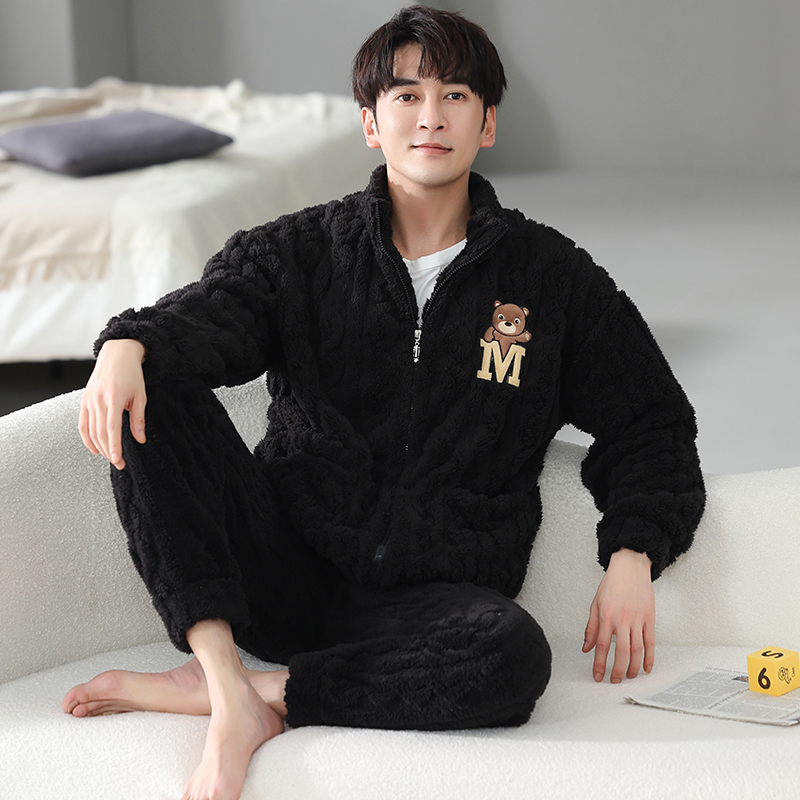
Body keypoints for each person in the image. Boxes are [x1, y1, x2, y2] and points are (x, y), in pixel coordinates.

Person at [62, 6, 705, 800]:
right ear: (371, 122)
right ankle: (225, 680)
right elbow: (209, 317)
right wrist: (127, 342)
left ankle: (260, 693)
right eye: (406, 96)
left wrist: (633, 555)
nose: (431, 116)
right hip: (279, 570)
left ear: (488, 123)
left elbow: (653, 421)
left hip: (429, 607)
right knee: (153, 384)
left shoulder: (553, 281)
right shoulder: (298, 252)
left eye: (455, 95)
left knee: (513, 658)